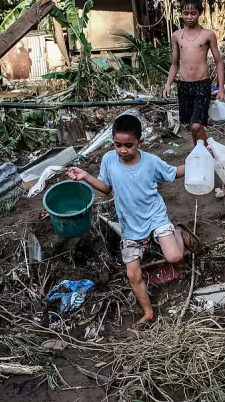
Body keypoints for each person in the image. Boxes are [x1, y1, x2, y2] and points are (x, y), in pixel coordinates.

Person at [67, 114, 190, 325]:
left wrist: (198, 161)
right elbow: (106, 189)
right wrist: (86, 176)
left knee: (174, 257)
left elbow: (174, 173)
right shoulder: (108, 160)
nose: (123, 150)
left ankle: (177, 232)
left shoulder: (151, 162)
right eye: (118, 145)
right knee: (133, 274)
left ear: (139, 142)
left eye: (129, 145)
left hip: (154, 216)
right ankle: (148, 312)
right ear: (113, 142)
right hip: (130, 226)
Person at [163, 0, 225, 145]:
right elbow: (174, 64)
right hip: (183, 85)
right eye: (186, 13)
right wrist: (168, 84)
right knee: (192, 126)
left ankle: (208, 154)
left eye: (193, 13)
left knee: (197, 125)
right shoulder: (177, 36)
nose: (189, 17)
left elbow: (218, 62)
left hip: (202, 85)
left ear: (200, 13)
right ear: (181, 13)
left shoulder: (208, 34)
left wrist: (221, 88)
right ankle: (198, 154)